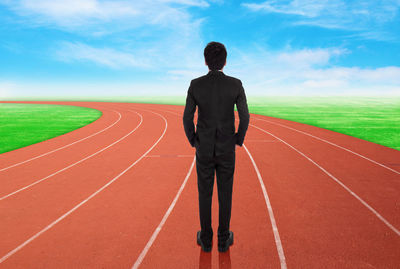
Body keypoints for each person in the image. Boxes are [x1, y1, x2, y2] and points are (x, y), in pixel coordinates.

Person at [183, 41, 250, 252]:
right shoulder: (236, 84)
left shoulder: (195, 85)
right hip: (227, 148)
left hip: (204, 148)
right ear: (225, 61)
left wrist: (194, 139)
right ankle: (223, 239)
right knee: (225, 193)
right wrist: (238, 139)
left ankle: (205, 238)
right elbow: (245, 116)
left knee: (205, 193)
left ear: (205, 61)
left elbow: (187, 118)